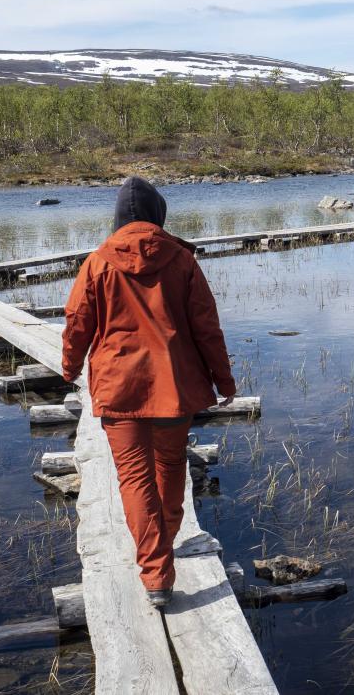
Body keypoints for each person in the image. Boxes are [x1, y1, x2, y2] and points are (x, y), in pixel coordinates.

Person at [62, 176, 236, 608]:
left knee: (135, 478)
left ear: (118, 218)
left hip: (120, 389)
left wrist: (69, 366)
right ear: (159, 215)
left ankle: (156, 573)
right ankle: (165, 541)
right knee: (171, 464)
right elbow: (206, 327)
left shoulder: (97, 262)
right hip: (174, 388)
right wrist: (224, 380)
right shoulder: (181, 260)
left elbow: (76, 322)